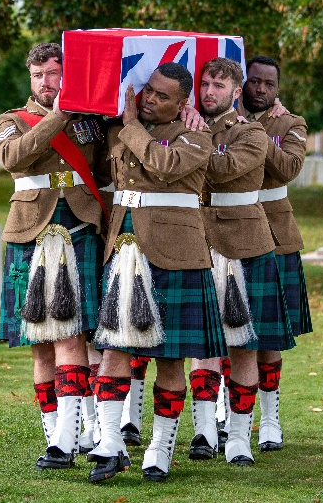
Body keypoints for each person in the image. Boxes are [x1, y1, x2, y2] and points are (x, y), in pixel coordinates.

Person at [88, 62, 226, 483]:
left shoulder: (198, 135)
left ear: (184, 104)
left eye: (162, 96)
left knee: (170, 359)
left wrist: (130, 126)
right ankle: (110, 444)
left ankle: (161, 446)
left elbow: (163, 165)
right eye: (148, 89)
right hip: (125, 247)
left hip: (177, 254)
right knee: (114, 349)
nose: (149, 98)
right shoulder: (119, 128)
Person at [0, 42, 112, 471]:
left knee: (72, 335)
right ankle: (54, 437)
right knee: (39, 342)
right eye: (39, 75)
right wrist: (59, 114)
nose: (47, 82)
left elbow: (108, 170)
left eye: (54, 73)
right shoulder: (11, 121)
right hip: (30, 232)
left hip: (81, 226)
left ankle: (68, 436)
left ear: (68, 75)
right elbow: (13, 157)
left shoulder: (92, 123)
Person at [190, 57, 294, 467]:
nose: (209, 91)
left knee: (244, 344)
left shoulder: (251, 132)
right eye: (205, 84)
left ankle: (238, 436)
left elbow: (222, 171)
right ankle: (202, 431)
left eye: (219, 85)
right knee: (201, 344)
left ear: (236, 92)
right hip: (195, 241)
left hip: (245, 243)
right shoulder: (185, 128)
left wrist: (189, 143)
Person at [239, 55, 313, 453]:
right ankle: (225, 414)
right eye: (255, 81)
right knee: (226, 330)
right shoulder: (219, 119)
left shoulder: (291, 124)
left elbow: (287, 168)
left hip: (274, 233)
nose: (262, 89)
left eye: (269, 83)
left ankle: (270, 420)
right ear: (243, 83)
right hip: (227, 232)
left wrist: (254, 132)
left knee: (268, 334)